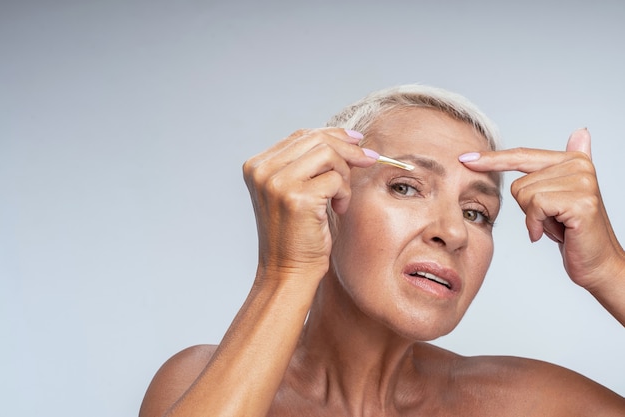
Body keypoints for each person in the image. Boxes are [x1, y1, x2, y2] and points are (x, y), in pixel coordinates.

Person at [139, 85, 625, 416]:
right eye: (407, 187)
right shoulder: (200, 380)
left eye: (477, 212)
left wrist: (610, 270)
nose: (452, 232)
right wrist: (286, 271)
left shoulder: (523, 404)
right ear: (327, 201)